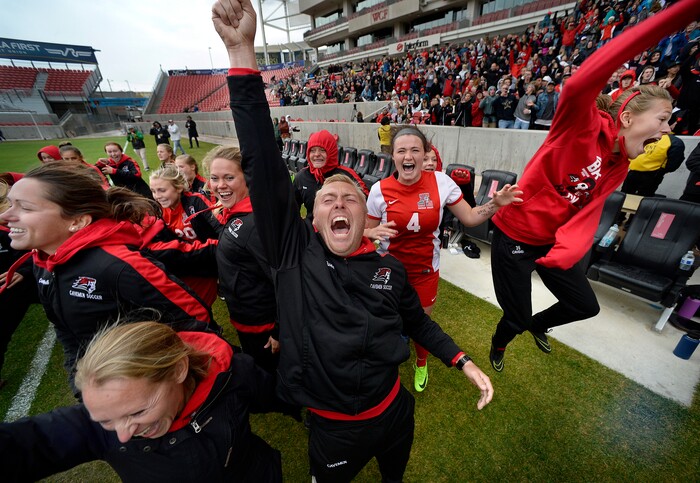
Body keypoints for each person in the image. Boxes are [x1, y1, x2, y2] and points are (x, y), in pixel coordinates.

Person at [213, 1, 493, 481]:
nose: (339, 202)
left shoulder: (390, 269)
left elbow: (416, 321)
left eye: (350, 198)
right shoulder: (292, 255)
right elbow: (261, 162)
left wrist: (461, 359)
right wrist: (242, 53)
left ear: (366, 216)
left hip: (394, 412)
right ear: (314, 220)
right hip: (334, 429)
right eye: (328, 199)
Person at [487, 0, 700, 373]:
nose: (668, 129)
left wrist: (569, 248)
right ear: (629, 117)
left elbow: (588, 210)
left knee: (585, 305)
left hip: (554, 243)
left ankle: (540, 324)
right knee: (514, 318)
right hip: (516, 237)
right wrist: (675, 18)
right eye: (663, 119)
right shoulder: (580, 124)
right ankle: (500, 344)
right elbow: (586, 78)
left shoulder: (623, 161)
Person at [0, 163, 215, 392]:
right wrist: (81, 386)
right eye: (9, 204)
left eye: (25, 208)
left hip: (161, 391)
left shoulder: (119, 264)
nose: (4, 216)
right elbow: (69, 334)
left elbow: (196, 322)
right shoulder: (43, 264)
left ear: (77, 221)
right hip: (118, 397)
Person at [0, 321, 285, 481]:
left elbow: (277, 395)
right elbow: (29, 443)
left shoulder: (232, 375)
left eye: (137, 411)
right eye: (106, 421)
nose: (123, 435)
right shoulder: (99, 425)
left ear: (178, 370)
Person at [365, 128, 521, 391]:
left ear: (425, 153)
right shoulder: (379, 190)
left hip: (426, 271)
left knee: (422, 324)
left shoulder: (440, 182)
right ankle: (384, 361)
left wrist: (496, 204)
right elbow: (366, 235)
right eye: (401, 150)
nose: (408, 156)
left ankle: (422, 362)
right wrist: (371, 232)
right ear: (393, 156)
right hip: (390, 271)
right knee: (387, 321)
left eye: (415, 150)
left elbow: (470, 217)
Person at [202, 145, 279, 375]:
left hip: (262, 325)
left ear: (247, 178)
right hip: (246, 317)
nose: (220, 185)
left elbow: (285, 278)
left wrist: (280, 330)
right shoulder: (237, 213)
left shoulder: (255, 224)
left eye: (229, 177)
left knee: (271, 376)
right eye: (214, 178)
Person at [0, 177, 39, 390]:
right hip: (6, 292)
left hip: (29, 281)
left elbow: (40, 249)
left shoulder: (23, 222)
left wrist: (23, 270)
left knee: (63, 307)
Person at [292, 129, 368, 221]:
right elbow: (291, 209)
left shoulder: (347, 175)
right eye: (312, 150)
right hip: (312, 233)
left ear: (331, 152)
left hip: (342, 231)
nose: (316, 154)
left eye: (322, 150)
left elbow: (366, 205)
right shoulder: (301, 177)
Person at [149, 165, 220, 243]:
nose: (157, 196)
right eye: (153, 191)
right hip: (189, 253)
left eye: (162, 190)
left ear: (179, 188)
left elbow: (220, 227)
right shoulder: (159, 211)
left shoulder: (196, 201)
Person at [621, 132, 686, 196]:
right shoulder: (674, 141)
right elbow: (674, 162)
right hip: (652, 174)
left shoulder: (646, 134)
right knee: (643, 198)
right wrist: (662, 171)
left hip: (634, 171)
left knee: (625, 195)